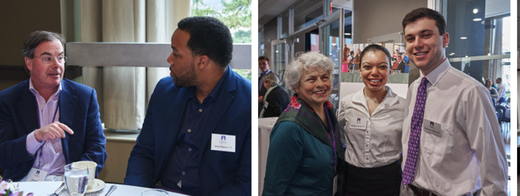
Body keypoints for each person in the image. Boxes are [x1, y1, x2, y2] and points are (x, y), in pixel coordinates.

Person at [123, 16, 251, 196]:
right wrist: (133, 192)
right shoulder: (164, 91)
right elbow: (144, 153)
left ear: (202, 62)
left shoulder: (248, 103)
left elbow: (247, 182)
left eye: (176, 54)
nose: (169, 59)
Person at [400, 8, 507, 195]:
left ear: (445, 39)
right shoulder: (415, 88)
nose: (417, 44)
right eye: (410, 38)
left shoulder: (470, 92)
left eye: (425, 35)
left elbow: (493, 164)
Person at [0, 31, 107, 182]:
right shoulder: (7, 99)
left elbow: (97, 149)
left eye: (60, 58)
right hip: (23, 181)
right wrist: (36, 137)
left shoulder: (84, 96)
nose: (57, 64)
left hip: (66, 182)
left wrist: (74, 178)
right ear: (29, 62)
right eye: (47, 58)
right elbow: (3, 155)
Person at [263, 52, 344, 195]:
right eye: (311, 79)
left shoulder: (330, 112)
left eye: (324, 77)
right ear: (296, 86)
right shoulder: (289, 127)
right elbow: (274, 187)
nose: (320, 84)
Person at [337, 44, 405, 195]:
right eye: (367, 67)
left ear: (390, 71)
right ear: (359, 69)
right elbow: (341, 136)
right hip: (352, 178)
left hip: (389, 180)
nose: (374, 73)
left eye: (382, 67)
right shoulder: (347, 103)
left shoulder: (403, 106)